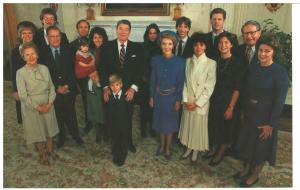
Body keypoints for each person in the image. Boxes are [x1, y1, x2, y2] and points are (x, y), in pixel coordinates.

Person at [234, 33, 289, 187]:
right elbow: (246, 91)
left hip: (265, 118)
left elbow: (279, 101)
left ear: (274, 53)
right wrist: (243, 111)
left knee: (260, 150)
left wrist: (271, 124)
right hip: (249, 114)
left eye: (267, 51)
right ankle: (245, 169)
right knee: (247, 145)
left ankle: (254, 175)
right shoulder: (253, 67)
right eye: (261, 50)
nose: (263, 54)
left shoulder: (280, 72)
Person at [100, 19, 144, 153]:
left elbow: (140, 71)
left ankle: (128, 142)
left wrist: (133, 88)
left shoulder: (137, 47)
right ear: (116, 30)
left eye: (126, 29)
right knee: (112, 117)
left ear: (130, 31)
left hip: (128, 91)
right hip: (111, 89)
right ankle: (114, 142)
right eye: (121, 28)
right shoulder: (107, 46)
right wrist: (105, 88)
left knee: (127, 117)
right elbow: (102, 69)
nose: (123, 31)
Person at [40, 26, 84, 148]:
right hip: (53, 90)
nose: (55, 39)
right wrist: (56, 88)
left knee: (71, 113)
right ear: (47, 38)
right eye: (52, 36)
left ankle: (76, 135)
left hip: (69, 88)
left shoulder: (69, 50)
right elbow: (44, 74)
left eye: (57, 36)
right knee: (58, 115)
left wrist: (67, 85)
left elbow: (73, 70)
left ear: (61, 37)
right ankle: (61, 137)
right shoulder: (42, 53)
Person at [16, 42, 59, 165]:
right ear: (23, 57)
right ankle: (42, 155)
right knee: (37, 132)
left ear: (37, 54)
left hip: (47, 103)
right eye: (27, 55)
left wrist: (50, 103)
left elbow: (51, 87)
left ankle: (50, 151)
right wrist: (37, 107)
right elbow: (23, 95)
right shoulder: (20, 73)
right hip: (32, 107)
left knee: (49, 130)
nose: (31, 57)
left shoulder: (44, 68)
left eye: (33, 54)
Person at [205, 32, 244, 166]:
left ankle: (221, 151)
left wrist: (231, 107)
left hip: (229, 100)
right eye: (221, 42)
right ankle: (214, 148)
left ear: (232, 44)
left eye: (226, 42)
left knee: (226, 127)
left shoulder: (237, 63)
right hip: (215, 98)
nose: (223, 45)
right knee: (214, 125)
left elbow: (238, 88)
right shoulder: (215, 60)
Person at [178, 32, 216, 163]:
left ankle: (196, 150)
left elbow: (209, 87)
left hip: (201, 103)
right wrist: (185, 100)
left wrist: (197, 103)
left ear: (205, 46)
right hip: (188, 100)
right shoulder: (188, 61)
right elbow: (185, 82)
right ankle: (189, 147)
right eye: (195, 45)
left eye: (201, 45)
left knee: (198, 127)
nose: (198, 48)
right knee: (189, 125)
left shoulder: (211, 63)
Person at [149, 31, 185, 160]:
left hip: (172, 97)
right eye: (164, 44)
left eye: (169, 44)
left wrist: (178, 100)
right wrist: (151, 96)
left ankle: (168, 147)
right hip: (158, 96)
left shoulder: (180, 62)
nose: (166, 46)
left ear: (173, 45)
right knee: (159, 123)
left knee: (169, 125)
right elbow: (153, 80)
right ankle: (161, 145)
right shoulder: (155, 60)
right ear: (160, 45)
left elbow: (181, 83)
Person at [11, 21, 37, 124]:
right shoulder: (14, 52)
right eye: (24, 33)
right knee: (28, 117)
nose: (27, 36)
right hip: (23, 86)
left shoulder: (38, 48)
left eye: (29, 33)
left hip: (37, 85)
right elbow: (14, 72)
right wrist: (15, 90)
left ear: (33, 35)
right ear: (20, 35)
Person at [138, 23, 161, 138]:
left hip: (156, 81)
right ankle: (143, 129)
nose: (152, 35)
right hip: (144, 80)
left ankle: (152, 128)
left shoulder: (161, 47)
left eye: (155, 33)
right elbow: (139, 65)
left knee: (153, 106)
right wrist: (144, 78)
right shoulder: (142, 46)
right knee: (144, 107)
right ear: (147, 34)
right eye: (150, 33)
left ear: (158, 34)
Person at [89, 26, 110, 140]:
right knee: (95, 108)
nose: (97, 40)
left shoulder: (108, 50)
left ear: (104, 38)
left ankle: (106, 132)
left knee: (105, 108)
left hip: (105, 83)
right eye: (95, 37)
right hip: (92, 83)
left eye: (100, 37)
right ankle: (98, 132)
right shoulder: (88, 51)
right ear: (92, 39)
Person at [106, 74, 132, 166]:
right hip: (113, 123)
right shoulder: (108, 97)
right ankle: (116, 153)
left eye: (117, 85)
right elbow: (107, 111)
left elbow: (129, 111)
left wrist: (127, 124)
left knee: (123, 140)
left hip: (124, 124)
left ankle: (122, 156)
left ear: (121, 85)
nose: (114, 88)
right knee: (115, 139)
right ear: (109, 86)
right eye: (112, 85)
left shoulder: (126, 97)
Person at [86, 71, 105, 143]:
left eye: (94, 74)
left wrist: (97, 82)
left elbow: (101, 87)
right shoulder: (88, 81)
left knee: (101, 117)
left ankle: (102, 133)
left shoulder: (98, 81)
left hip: (99, 102)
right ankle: (98, 135)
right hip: (91, 101)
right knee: (95, 118)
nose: (92, 76)